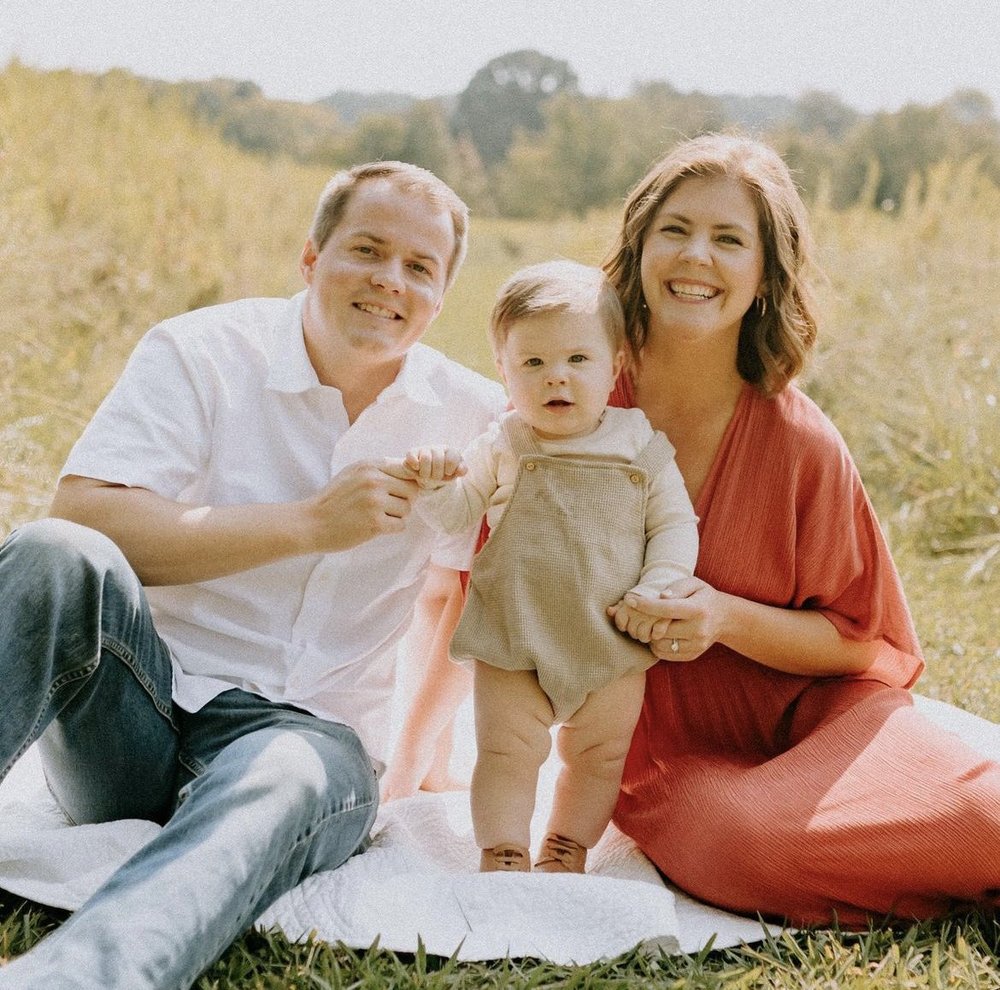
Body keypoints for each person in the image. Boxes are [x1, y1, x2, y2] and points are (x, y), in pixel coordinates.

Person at [0, 160, 505, 988]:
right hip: (139, 716)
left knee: (285, 773)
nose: (389, 281)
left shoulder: (472, 416)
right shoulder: (201, 350)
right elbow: (86, 513)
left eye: (419, 268)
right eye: (367, 251)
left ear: (441, 295)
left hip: (309, 740)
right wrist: (309, 524)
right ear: (310, 258)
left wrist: (415, 759)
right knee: (57, 556)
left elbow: (464, 594)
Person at [601, 132, 1000, 926]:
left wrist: (721, 617)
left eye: (728, 239)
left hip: (826, 714)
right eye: (675, 230)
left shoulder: (798, 439)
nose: (696, 258)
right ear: (639, 246)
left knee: (985, 817)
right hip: (669, 751)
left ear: (763, 273)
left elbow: (861, 642)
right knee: (746, 845)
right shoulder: (571, 405)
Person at [401, 260, 699, 873]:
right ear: (504, 374)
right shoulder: (505, 441)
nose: (555, 378)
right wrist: (434, 483)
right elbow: (458, 514)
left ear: (614, 366)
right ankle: (503, 848)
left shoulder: (640, 444)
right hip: (515, 635)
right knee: (505, 752)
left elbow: (673, 526)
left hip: (611, 638)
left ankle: (567, 845)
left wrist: (659, 585)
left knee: (598, 756)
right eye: (532, 363)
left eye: (577, 361)